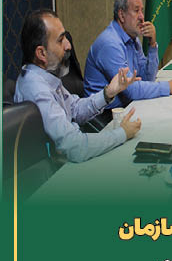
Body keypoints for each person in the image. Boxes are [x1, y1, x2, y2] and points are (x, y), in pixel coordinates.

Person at [15, 9, 142, 163]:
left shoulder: (44, 76)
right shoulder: (37, 90)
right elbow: (75, 147)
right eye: (61, 40)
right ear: (41, 53)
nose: (68, 45)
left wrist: (108, 93)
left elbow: (74, 109)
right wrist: (122, 133)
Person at [84, 0, 172, 108]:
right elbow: (130, 90)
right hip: (105, 113)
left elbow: (147, 78)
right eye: (136, 11)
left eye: (142, 11)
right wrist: (168, 87)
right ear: (121, 15)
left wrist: (152, 44)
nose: (142, 17)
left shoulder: (133, 38)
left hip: (127, 105)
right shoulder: (110, 44)